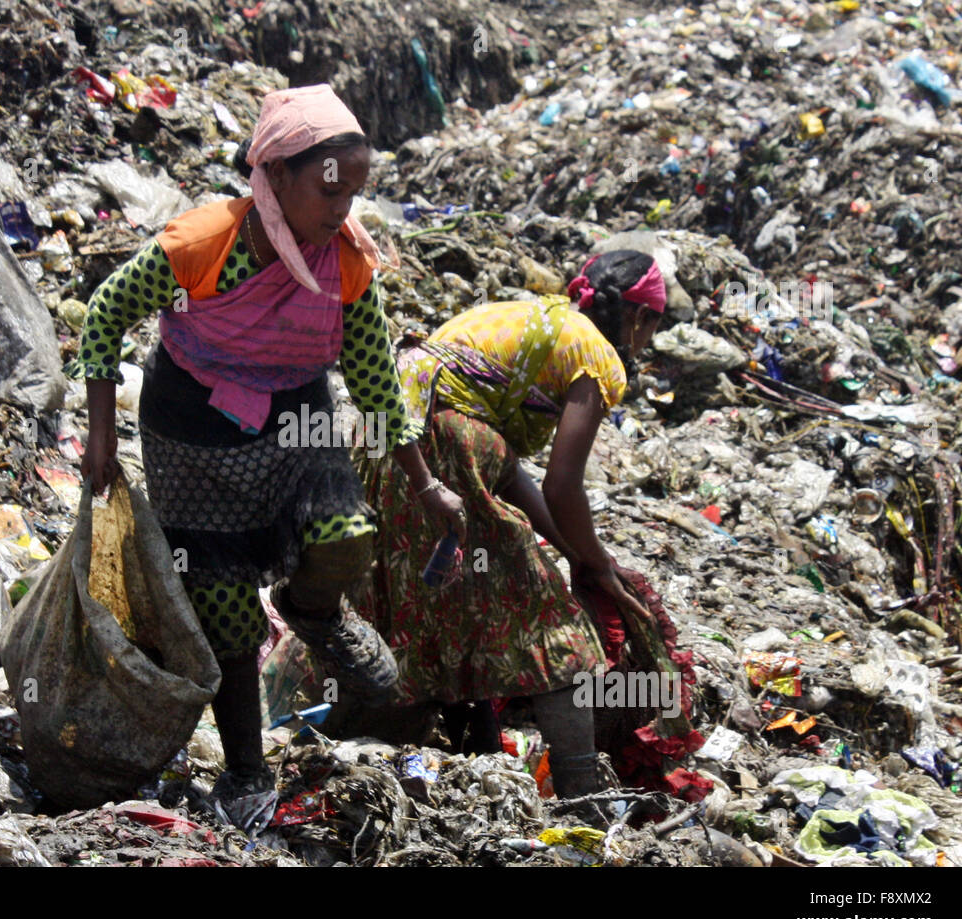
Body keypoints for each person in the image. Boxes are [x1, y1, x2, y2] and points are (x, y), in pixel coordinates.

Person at [79, 84, 465, 825]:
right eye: (330, 188)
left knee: (346, 537)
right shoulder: (203, 244)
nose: (342, 210)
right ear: (276, 175)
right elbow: (105, 316)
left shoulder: (345, 266)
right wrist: (100, 433)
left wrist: (424, 486)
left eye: (355, 192)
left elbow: (375, 380)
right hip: (191, 436)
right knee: (223, 611)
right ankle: (246, 771)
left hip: (297, 421)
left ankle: (312, 610)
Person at [349, 250, 670, 798]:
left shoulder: (529, 317)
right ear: (639, 318)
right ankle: (582, 796)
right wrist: (598, 567)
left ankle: (379, 753)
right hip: (448, 449)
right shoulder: (597, 356)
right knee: (552, 626)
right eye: (654, 325)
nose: (648, 340)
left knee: (424, 616)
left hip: (390, 450)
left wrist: (579, 554)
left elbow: (511, 473)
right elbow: (561, 484)